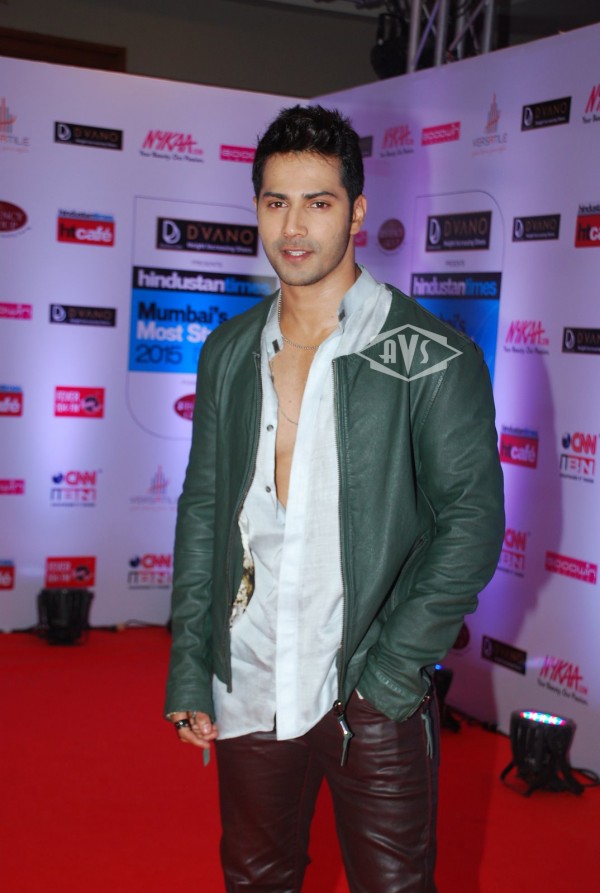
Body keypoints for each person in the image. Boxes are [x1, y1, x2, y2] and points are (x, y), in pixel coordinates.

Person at [165, 105, 505, 893]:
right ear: (257, 208)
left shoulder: (431, 354)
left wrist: (391, 674)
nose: (293, 227)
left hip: (369, 691)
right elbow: (204, 510)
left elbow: (471, 521)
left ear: (355, 212)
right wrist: (189, 667)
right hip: (250, 677)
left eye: (317, 202)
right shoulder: (228, 351)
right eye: (275, 202)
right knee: (256, 879)